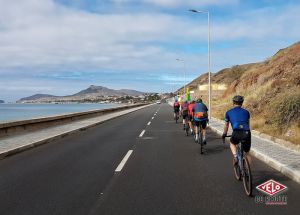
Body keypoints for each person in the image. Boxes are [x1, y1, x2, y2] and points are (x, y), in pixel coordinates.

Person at [222, 95, 251, 166]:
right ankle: (248, 171)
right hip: (246, 132)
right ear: (242, 103)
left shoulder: (228, 112)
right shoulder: (246, 112)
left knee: (232, 143)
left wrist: (224, 134)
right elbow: (248, 123)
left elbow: (226, 125)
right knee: (247, 153)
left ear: (233, 103)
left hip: (236, 132)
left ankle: (235, 157)